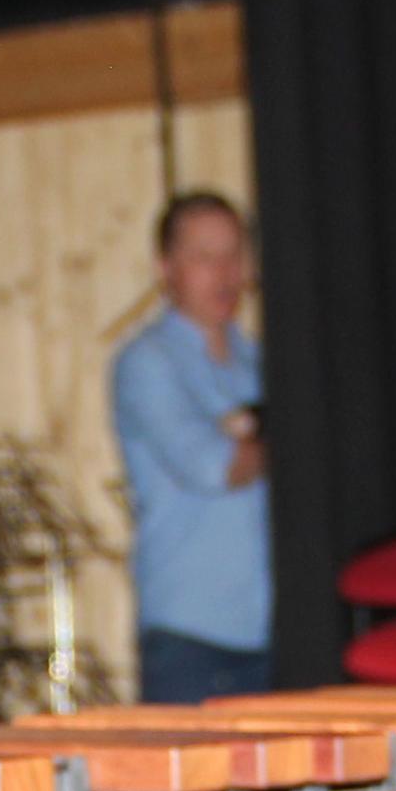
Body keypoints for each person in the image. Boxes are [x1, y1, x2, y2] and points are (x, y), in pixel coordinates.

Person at [111, 190, 269, 702]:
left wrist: (258, 432)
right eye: (203, 257)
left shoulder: (260, 361)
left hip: (271, 631)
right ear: (166, 269)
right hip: (190, 637)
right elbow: (213, 467)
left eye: (233, 255)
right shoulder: (147, 362)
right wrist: (288, 436)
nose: (224, 273)